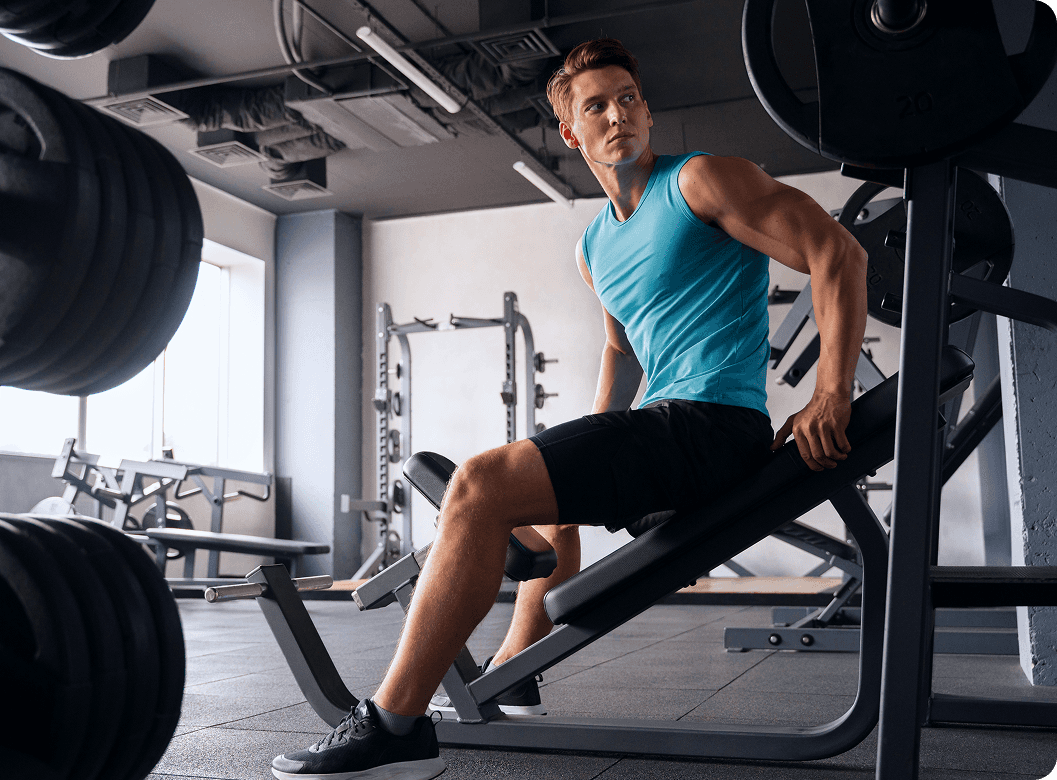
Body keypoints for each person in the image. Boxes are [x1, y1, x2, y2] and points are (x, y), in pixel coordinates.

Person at [270, 38, 867, 780]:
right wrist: (577, 438)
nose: (618, 114)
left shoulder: (703, 181)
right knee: (535, 492)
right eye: (597, 106)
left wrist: (830, 393)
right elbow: (620, 350)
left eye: (629, 99)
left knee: (479, 486)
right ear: (572, 132)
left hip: (714, 427)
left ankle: (394, 725)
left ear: (646, 111)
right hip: (665, 426)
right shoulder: (593, 246)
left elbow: (837, 252)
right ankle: (517, 667)